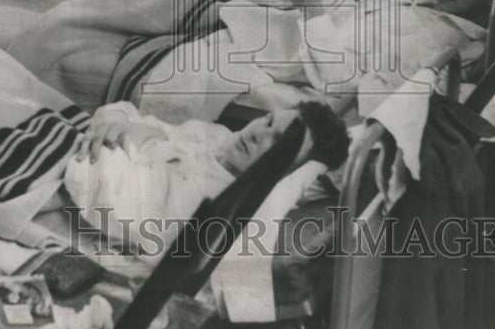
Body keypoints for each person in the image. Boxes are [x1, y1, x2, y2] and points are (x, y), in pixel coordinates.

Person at [64, 98, 349, 254]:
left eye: (275, 142)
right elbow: (124, 110)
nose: (257, 134)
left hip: (71, 169)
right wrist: (118, 121)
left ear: (283, 176)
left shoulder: (212, 202)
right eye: (268, 121)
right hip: (90, 140)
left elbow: (105, 196)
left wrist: (131, 135)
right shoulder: (218, 138)